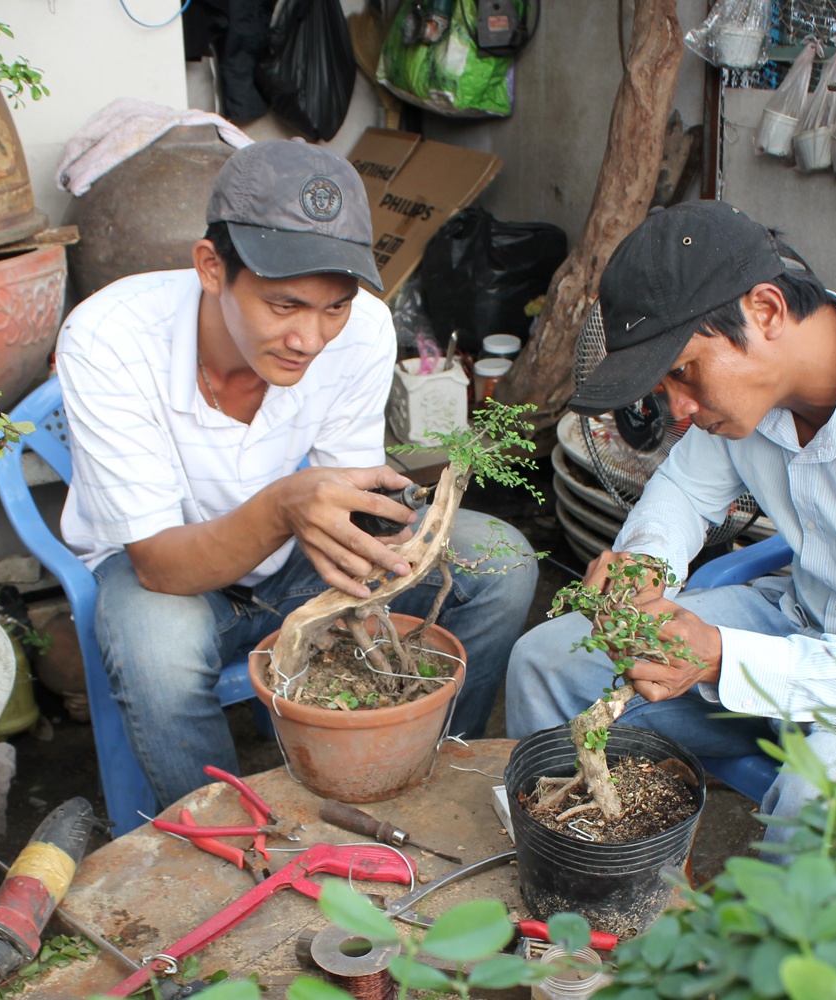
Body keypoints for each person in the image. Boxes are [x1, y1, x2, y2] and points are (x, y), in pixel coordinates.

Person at [507, 201, 836, 832]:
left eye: (683, 372)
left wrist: (718, 657)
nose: (678, 409)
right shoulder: (748, 387)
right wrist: (646, 562)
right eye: (663, 387)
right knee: (547, 662)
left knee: (819, 800)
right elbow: (683, 491)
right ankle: (560, 864)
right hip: (805, 621)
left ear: (765, 312)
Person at [56, 139, 537, 808]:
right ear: (212, 268)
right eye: (283, 305)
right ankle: (230, 837)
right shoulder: (109, 338)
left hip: (296, 560)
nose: (309, 339)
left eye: (333, 306)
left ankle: (433, 776)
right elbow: (160, 566)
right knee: (156, 649)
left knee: (500, 563)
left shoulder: (362, 330)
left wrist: (392, 537)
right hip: (169, 575)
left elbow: (347, 494)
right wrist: (286, 506)